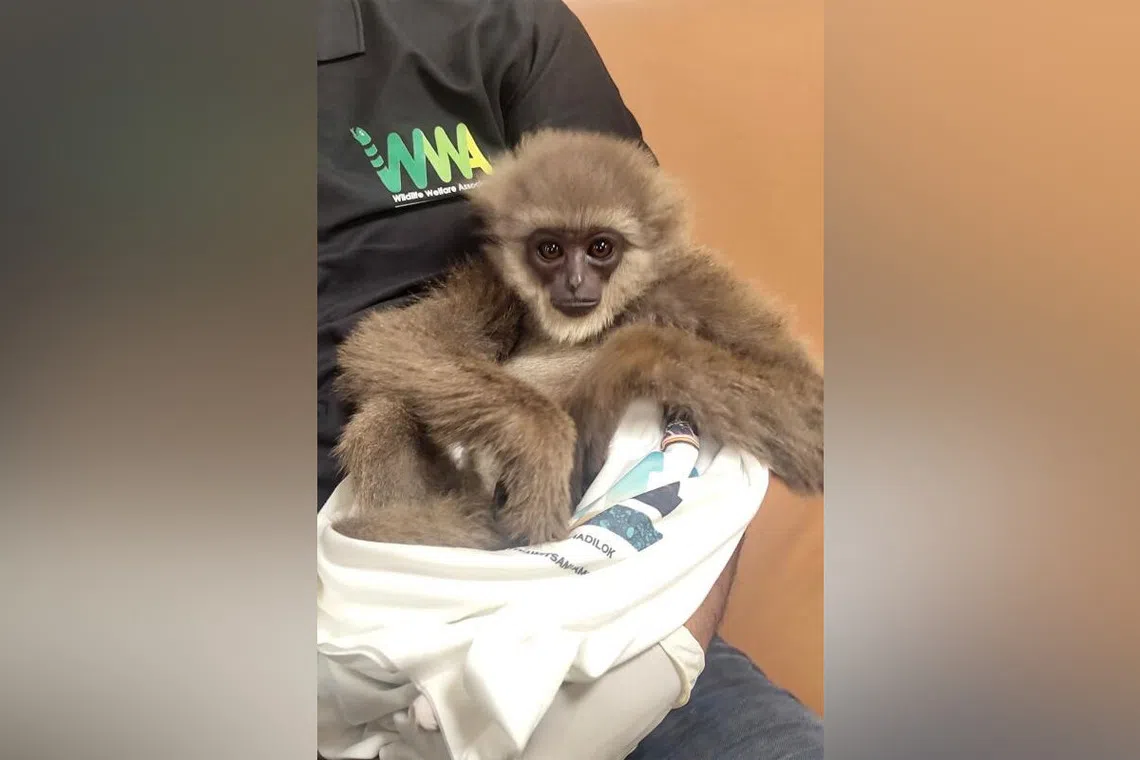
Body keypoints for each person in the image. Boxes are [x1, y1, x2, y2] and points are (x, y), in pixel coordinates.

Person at [317, 0, 824, 757]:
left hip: (610, 589)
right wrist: (522, 422)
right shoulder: (487, 288)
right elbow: (383, 353)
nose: (577, 280)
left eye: (600, 253)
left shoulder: (490, 24)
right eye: (550, 253)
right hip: (362, 591)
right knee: (385, 425)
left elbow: (802, 438)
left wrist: (670, 642)